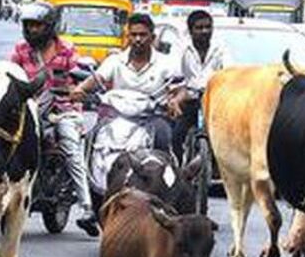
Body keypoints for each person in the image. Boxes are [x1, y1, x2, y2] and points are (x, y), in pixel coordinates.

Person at [9, 2, 98, 236]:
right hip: (30, 109)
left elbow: (81, 78)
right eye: (28, 25)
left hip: (63, 110)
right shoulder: (20, 50)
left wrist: (77, 89)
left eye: (37, 25)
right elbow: (10, 76)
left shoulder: (67, 50)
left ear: (49, 26)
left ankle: (87, 208)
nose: (31, 30)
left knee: (70, 147)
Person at [71, 13, 180, 153]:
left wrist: (175, 100)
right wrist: (80, 89)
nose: (138, 39)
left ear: (152, 38)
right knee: (91, 137)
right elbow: (97, 78)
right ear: (128, 37)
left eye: (143, 35)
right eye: (133, 35)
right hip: (115, 116)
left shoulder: (166, 63)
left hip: (151, 117)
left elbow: (179, 88)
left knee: (163, 139)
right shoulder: (115, 61)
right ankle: (87, 174)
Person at [167, 10, 223, 157]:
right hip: (188, 98)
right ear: (190, 31)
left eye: (208, 27)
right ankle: (178, 165)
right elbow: (174, 72)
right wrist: (179, 92)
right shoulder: (181, 48)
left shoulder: (220, 48)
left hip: (214, 100)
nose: (204, 31)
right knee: (177, 135)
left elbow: (229, 70)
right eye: (199, 28)